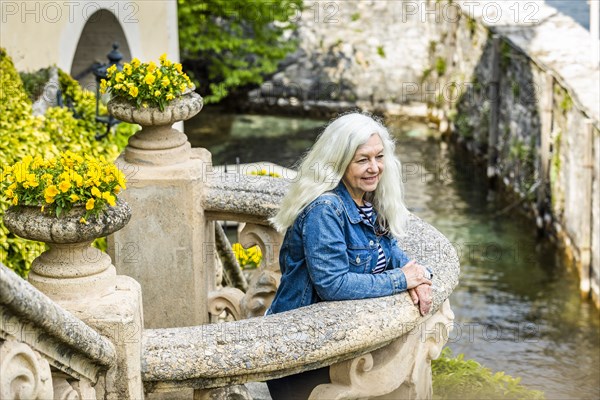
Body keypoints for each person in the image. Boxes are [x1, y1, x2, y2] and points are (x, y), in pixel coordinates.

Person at [265, 112, 434, 400]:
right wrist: (401, 279)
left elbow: (389, 249)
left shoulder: (366, 199)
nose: (374, 168)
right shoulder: (325, 209)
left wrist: (417, 276)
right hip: (305, 354)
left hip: (341, 346)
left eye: (379, 157)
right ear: (339, 163)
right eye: (362, 160)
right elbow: (333, 285)